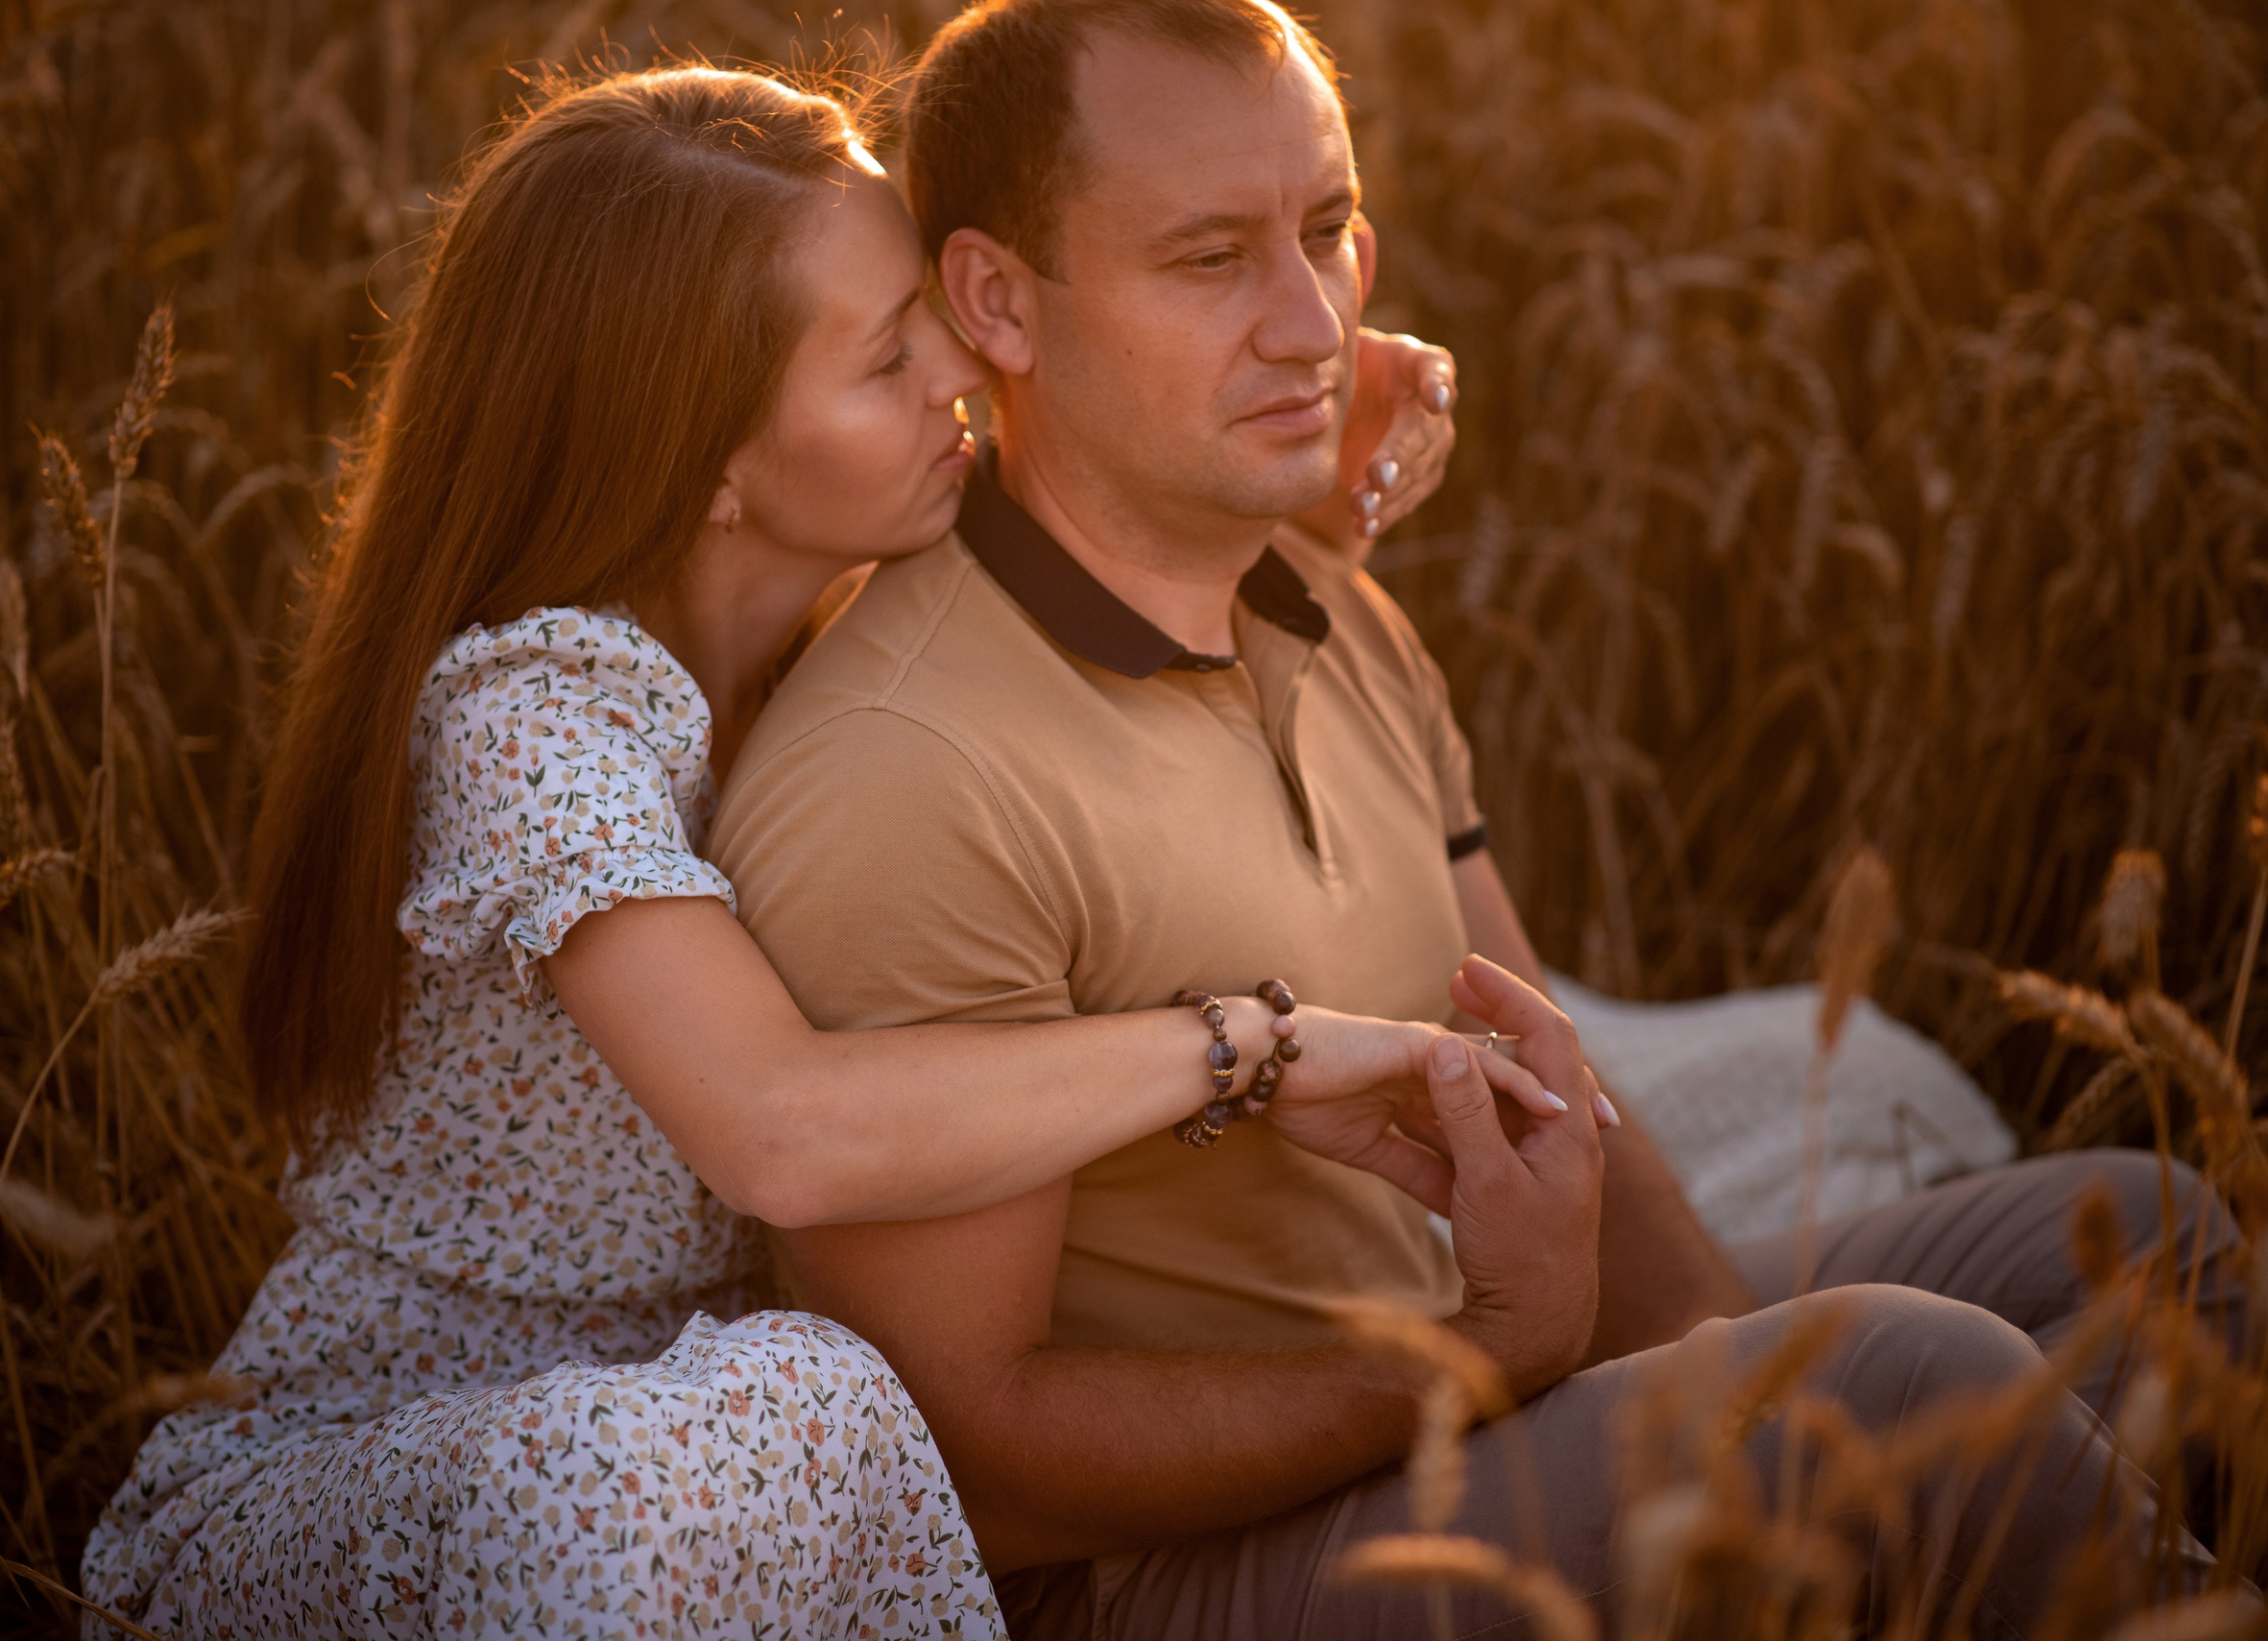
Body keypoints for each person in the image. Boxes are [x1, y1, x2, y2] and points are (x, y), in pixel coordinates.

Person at [704, 0, 2243, 1633]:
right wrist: (1534, 1375)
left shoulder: (1318, 604)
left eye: (1326, 228)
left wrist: (1720, 1371)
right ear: (998, 299)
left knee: (2155, 1237)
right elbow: (969, 1464)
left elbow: (1551, 1083)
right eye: (1211, 259)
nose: (1310, 324)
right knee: (1901, 1381)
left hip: (1466, 1374)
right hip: (1179, 1573)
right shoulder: (911, 770)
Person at [78, 64, 1509, 1640]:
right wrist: (1242, 1042)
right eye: (888, 354)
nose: (960, 367)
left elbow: (1109, 574)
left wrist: (1271, 427)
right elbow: (780, 1130)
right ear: (709, 461)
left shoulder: (830, 639)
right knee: (781, 1411)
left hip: (699, 1482)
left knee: (776, 1421)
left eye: (936, 320)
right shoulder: (530, 722)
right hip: (420, 1493)